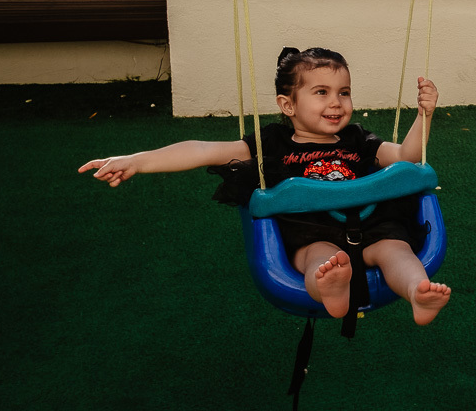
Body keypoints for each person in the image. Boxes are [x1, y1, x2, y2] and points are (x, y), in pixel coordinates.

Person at [79, 47, 451, 325]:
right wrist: (137, 161)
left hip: (370, 224)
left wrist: (424, 115)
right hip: (310, 231)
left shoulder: (357, 139)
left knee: (397, 249)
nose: (336, 103)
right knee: (320, 258)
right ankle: (331, 288)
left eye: (344, 92)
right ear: (287, 105)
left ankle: (417, 293)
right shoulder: (271, 142)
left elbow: (406, 158)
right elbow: (202, 150)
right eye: (321, 92)